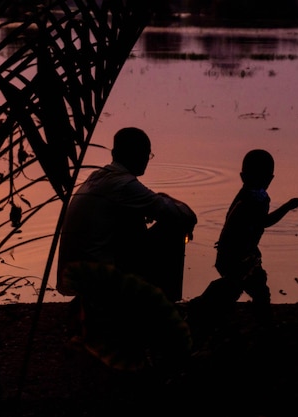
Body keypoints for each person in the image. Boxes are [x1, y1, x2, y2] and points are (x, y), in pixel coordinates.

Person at [57, 127, 197, 370]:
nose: (146, 160)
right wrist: (167, 202)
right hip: (99, 273)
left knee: (136, 220)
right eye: (145, 154)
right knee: (173, 229)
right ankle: (164, 301)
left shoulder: (98, 178)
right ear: (134, 155)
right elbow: (183, 215)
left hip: (79, 272)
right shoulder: (124, 185)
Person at [188, 149, 298, 327]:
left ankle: (261, 326)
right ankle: (202, 307)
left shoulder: (250, 195)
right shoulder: (254, 198)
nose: (260, 182)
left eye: (262, 178)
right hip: (237, 256)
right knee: (239, 288)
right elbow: (264, 222)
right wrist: (287, 207)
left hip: (239, 254)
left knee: (252, 288)